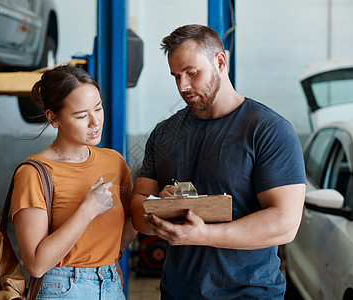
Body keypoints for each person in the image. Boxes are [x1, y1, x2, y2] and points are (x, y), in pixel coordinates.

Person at [130, 24, 306, 299]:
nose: (183, 86)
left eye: (192, 73)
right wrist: (158, 211)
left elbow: (285, 223)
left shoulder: (268, 130)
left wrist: (201, 235)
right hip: (177, 292)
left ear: (220, 61)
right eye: (176, 76)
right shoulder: (164, 133)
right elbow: (138, 207)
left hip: (248, 293)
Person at [11, 65, 136, 299]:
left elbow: (132, 216)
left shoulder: (114, 162)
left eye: (98, 109)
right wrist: (88, 210)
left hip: (111, 285)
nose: (95, 122)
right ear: (53, 118)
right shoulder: (34, 173)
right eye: (81, 116)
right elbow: (36, 265)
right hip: (61, 288)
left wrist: (113, 255)